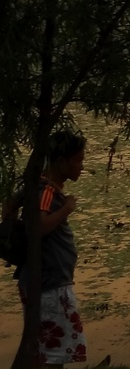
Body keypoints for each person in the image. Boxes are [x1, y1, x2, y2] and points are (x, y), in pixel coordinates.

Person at [5, 131, 89, 366]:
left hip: (48, 282)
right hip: (49, 286)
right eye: (78, 160)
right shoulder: (47, 191)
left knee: (50, 350)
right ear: (62, 161)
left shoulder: (40, 186)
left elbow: (9, 204)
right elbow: (39, 227)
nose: (82, 167)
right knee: (52, 353)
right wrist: (67, 209)